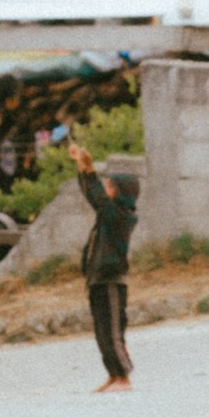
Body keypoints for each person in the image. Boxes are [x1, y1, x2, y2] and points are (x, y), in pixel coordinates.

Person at [71, 142, 139, 393]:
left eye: (110, 187)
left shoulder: (121, 216)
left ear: (121, 192)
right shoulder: (108, 215)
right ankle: (112, 374)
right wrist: (82, 167)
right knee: (101, 331)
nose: (106, 190)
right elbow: (95, 198)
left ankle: (123, 377)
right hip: (98, 279)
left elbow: (97, 199)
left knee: (112, 330)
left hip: (111, 279)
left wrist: (88, 168)